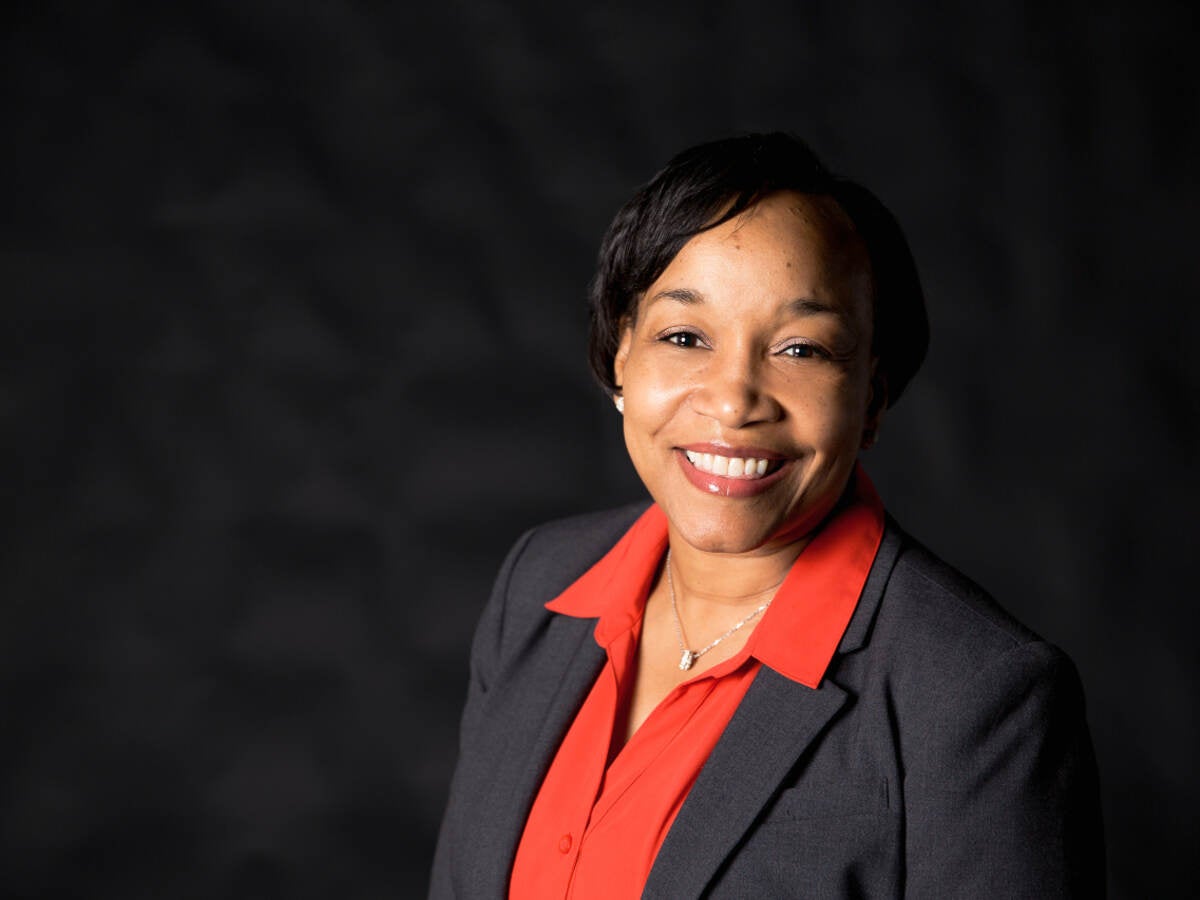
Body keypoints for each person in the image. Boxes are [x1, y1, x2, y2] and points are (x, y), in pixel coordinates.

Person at [429, 133, 1104, 898]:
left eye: (802, 349)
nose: (733, 399)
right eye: (684, 337)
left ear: (873, 397)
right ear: (621, 356)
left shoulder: (977, 697)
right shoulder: (539, 585)